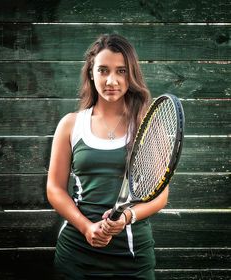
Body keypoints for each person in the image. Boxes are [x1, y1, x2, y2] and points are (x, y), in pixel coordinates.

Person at [46, 33, 169, 279]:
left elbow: (160, 195)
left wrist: (126, 216)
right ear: (91, 73)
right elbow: (54, 189)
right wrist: (86, 227)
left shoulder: (148, 125)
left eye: (121, 71)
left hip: (132, 259)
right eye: (103, 70)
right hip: (75, 255)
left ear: (131, 75)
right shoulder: (71, 125)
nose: (111, 80)